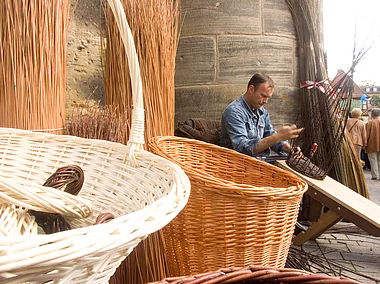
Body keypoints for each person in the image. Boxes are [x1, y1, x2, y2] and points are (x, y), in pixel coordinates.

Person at [220, 73, 303, 159]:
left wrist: (290, 149)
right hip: (239, 163)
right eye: (263, 96)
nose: (265, 101)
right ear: (251, 89)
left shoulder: (262, 112)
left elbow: (269, 135)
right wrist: (277, 137)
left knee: (298, 161)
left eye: (268, 97)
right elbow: (242, 148)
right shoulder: (234, 112)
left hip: (262, 161)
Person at [365, 108, 380, 180]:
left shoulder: (369, 123)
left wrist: (365, 144)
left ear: (372, 114)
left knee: (373, 160)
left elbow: (366, 135)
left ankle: (375, 175)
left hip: (371, 144)